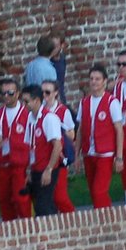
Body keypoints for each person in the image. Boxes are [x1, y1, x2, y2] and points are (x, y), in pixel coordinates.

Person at [0, 79, 31, 222]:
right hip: (2, 165)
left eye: (10, 92)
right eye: (4, 93)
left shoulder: (26, 114)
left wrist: (30, 166)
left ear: (18, 94)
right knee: (4, 201)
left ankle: (28, 228)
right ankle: (9, 233)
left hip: (20, 166)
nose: (7, 96)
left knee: (21, 199)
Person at [77, 65, 125, 209]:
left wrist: (119, 157)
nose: (94, 82)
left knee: (99, 190)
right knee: (93, 191)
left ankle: (106, 219)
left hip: (105, 153)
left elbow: (119, 130)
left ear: (104, 81)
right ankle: (102, 216)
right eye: (91, 79)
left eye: (97, 79)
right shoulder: (84, 102)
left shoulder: (112, 102)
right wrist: (77, 154)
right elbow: (80, 129)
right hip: (88, 152)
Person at [21, 86, 62, 217]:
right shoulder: (30, 119)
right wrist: (29, 171)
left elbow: (57, 146)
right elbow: (30, 146)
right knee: (42, 204)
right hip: (36, 169)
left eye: (26, 101)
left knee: (43, 206)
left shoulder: (48, 118)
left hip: (47, 169)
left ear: (37, 100)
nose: (24, 105)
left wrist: (49, 169)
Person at [40, 81, 77, 212]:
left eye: (48, 92)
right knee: (46, 197)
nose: (44, 96)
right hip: (43, 155)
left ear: (55, 93)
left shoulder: (62, 111)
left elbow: (72, 134)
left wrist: (58, 127)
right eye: (42, 92)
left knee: (59, 196)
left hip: (58, 157)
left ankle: (73, 218)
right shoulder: (39, 110)